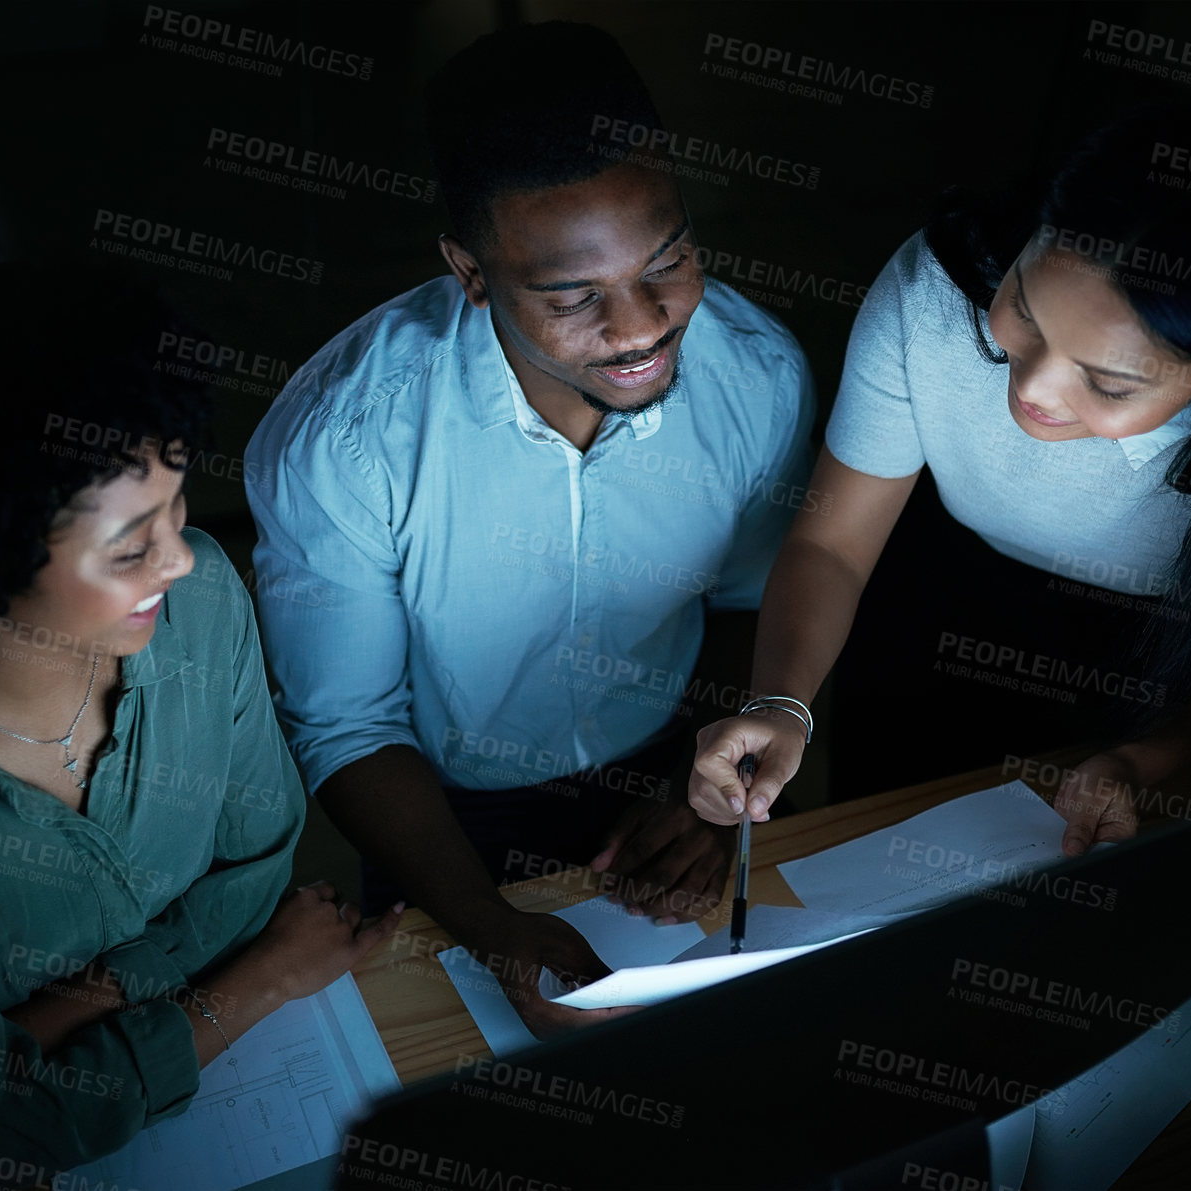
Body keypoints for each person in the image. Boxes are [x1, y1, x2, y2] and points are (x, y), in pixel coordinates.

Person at [0, 245, 402, 1184]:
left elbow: (257, 874)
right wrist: (248, 984)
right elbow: (1, 1132)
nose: (181, 561)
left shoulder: (203, 600)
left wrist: (47, 1028)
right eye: (133, 548)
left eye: (178, 514)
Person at [244, 21, 815, 1037]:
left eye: (668, 260)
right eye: (571, 297)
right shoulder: (343, 441)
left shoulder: (758, 375)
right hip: (441, 813)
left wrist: (702, 786)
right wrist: (482, 923)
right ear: (469, 273)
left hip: (676, 763)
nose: (641, 326)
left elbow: (747, 597)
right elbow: (349, 726)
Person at [688, 102, 1191, 852]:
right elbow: (833, 542)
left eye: (1111, 382)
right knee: (882, 841)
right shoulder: (936, 291)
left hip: (1154, 663)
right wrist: (782, 702)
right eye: (1025, 309)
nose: (1036, 391)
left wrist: (1143, 759)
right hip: (934, 587)